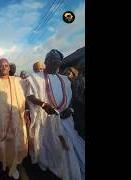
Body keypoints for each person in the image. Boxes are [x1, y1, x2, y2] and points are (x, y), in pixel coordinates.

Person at [26, 49, 85, 180]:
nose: (55, 63)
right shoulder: (34, 78)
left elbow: (70, 98)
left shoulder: (65, 80)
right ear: (46, 62)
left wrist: (69, 109)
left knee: (72, 146)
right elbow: (29, 96)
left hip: (65, 119)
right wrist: (43, 104)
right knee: (59, 147)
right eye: (52, 60)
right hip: (47, 121)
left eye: (57, 61)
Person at [66, 66, 85, 139]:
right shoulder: (82, 79)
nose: (67, 76)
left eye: (68, 74)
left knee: (79, 128)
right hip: (81, 106)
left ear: (73, 73)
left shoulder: (74, 82)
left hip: (77, 108)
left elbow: (75, 96)